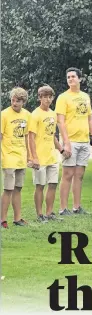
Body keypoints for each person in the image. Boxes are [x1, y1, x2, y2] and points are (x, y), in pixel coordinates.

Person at [56, 67, 92, 215]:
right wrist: (66, 143)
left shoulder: (85, 97)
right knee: (67, 175)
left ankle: (77, 207)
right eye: (68, 77)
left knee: (79, 176)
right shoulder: (63, 97)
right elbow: (60, 122)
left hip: (84, 141)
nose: (70, 79)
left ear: (80, 79)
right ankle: (63, 208)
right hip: (71, 141)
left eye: (73, 77)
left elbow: (89, 119)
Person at [29, 86, 65, 223]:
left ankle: (49, 213)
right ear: (39, 98)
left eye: (50, 97)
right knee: (40, 185)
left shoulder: (52, 114)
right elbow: (30, 137)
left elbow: (52, 135)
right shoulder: (35, 114)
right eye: (45, 97)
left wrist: (61, 149)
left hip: (52, 156)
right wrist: (34, 157)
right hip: (40, 157)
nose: (48, 99)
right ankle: (39, 215)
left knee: (53, 184)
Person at [1, 88, 31, 228]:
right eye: (13, 100)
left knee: (18, 188)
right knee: (8, 189)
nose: (14, 103)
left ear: (23, 102)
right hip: (8, 156)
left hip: (21, 157)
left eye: (18, 101)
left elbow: (26, 137)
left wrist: (29, 155)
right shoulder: (4, 115)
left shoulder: (27, 115)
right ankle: (2, 220)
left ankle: (17, 218)